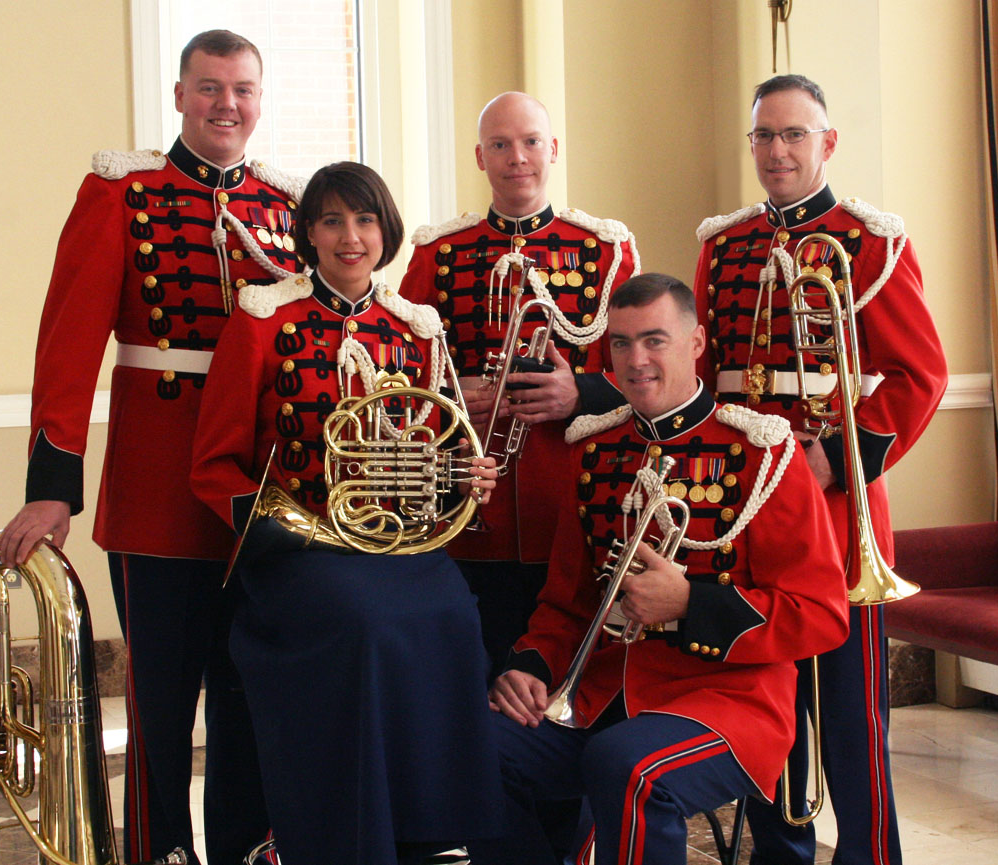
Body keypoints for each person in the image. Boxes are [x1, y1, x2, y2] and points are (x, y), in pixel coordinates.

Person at [0, 30, 306, 865]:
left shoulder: (288, 206)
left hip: (258, 486)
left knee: (250, 688)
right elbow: (67, 344)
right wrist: (52, 484)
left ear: (259, 100)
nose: (226, 105)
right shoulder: (122, 193)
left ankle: (248, 847)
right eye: (209, 88)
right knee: (162, 698)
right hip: (158, 486)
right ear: (179, 96)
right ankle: (159, 850)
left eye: (242, 90)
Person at [474, 273, 850, 865]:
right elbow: (567, 603)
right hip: (602, 693)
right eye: (621, 344)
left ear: (696, 343)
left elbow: (821, 615)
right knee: (470, 745)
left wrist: (691, 604)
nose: (636, 360)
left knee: (628, 767)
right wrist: (529, 665)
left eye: (655, 340)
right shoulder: (594, 449)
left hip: (731, 701)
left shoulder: (763, 452)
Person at [190, 161, 505, 865]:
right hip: (301, 551)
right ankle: (352, 836)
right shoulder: (263, 319)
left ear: (385, 229)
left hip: (398, 545)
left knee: (457, 615)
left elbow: (437, 449)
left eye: (364, 220)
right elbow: (213, 463)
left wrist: (464, 475)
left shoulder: (416, 327)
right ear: (308, 232)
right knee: (362, 622)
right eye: (332, 221)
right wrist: (277, 529)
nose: (350, 237)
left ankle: (435, 832)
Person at [692, 75, 948, 865]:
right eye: (764, 136)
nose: (777, 151)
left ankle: (870, 855)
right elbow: (707, 376)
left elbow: (920, 376)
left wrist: (834, 459)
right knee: (768, 703)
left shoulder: (869, 241)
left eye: (793, 134)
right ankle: (782, 852)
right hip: (748, 509)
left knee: (851, 713)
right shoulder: (723, 246)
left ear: (827, 142)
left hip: (839, 512)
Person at [399, 91, 639, 684]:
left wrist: (580, 393)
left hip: (571, 499)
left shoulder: (605, 251)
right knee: (470, 678)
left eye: (531, 142)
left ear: (553, 149)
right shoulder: (438, 253)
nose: (517, 157)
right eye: (500, 145)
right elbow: (398, 371)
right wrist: (452, 397)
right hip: (467, 507)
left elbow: (647, 374)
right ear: (480, 157)